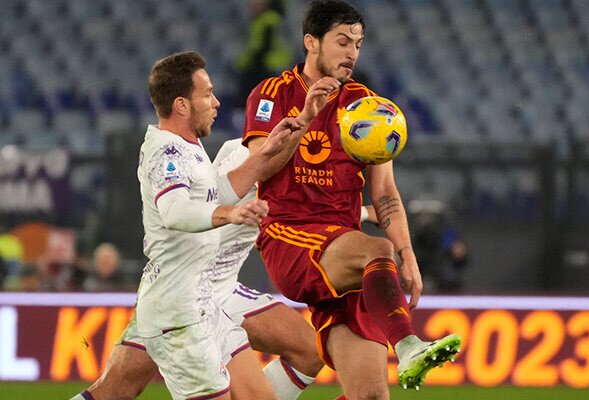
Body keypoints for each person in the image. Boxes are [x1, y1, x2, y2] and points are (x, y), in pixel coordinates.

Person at [71, 51, 339, 400]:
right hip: (178, 311)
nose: (215, 102)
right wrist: (228, 214)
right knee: (117, 388)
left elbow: (222, 189)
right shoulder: (167, 155)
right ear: (182, 105)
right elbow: (175, 211)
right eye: (207, 94)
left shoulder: (190, 147)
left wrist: (283, 136)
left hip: (206, 300)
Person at [243, 1, 461, 397]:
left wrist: (407, 254)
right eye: (343, 41)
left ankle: (402, 344)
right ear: (311, 42)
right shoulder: (272, 93)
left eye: (358, 44)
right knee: (375, 247)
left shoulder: (367, 106)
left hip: (350, 258)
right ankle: (409, 345)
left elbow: (385, 194)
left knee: (370, 395)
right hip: (290, 238)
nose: (352, 53)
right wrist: (307, 116)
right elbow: (259, 167)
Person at [235, 0, 293, 107]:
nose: (252, 4)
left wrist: (248, 64)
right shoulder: (265, 20)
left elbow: (264, 47)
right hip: (273, 66)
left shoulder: (268, 21)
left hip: (269, 67)